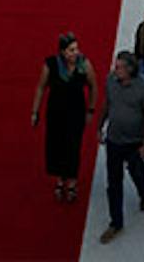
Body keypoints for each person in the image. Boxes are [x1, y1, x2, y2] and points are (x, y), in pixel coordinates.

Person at [98, 51, 144, 244]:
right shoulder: (111, 80)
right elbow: (107, 104)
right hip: (114, 140)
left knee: (137, 172)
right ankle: (116, 222)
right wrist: (100, 126)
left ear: (130, 69)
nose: (115, 70)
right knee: (113, 182)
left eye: (119, 67)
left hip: (134, 142)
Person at [31, 32, 96, 203]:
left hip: (76, 113)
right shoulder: (51, 65)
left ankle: (72, 181)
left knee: (73, 146)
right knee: (56, 145)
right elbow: (41, 87)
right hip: (56, 113)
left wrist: (90, 110)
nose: (75, 53)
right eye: (71, 50)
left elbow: (93, 86)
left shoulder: (84, 64)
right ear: (62, 52)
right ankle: (60, 179)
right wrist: (35, 111)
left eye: (76, 49)